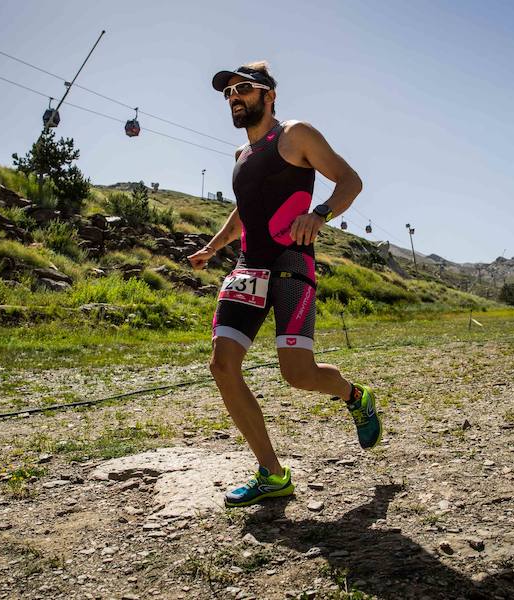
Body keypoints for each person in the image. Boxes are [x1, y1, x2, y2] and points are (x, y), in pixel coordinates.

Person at [188, 61, 382, 508]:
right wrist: (212, 249)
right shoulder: (241, 157)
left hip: (292, 263)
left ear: (268, 95)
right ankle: (273, 475)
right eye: (228, 92)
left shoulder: (296, 135)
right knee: (222, 365)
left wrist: (320, 215)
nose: (234, 96)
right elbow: (244, 213)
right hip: (247, 267)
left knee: (298, 374)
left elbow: (350, 181)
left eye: (243, 89)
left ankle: (356, 395)